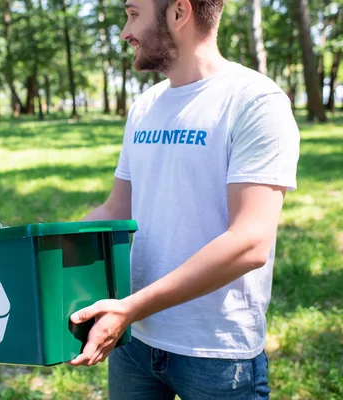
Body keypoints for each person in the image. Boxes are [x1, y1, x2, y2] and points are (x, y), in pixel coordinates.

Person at [67, 0, 300, 399]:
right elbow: (115, 210)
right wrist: (35, 252)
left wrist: (132, 307)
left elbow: (250, 243)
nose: (125, 31)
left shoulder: (255, 102)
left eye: (133, 14)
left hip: (216, 352)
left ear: (179, 13)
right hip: (135, 338)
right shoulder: (145, 106)